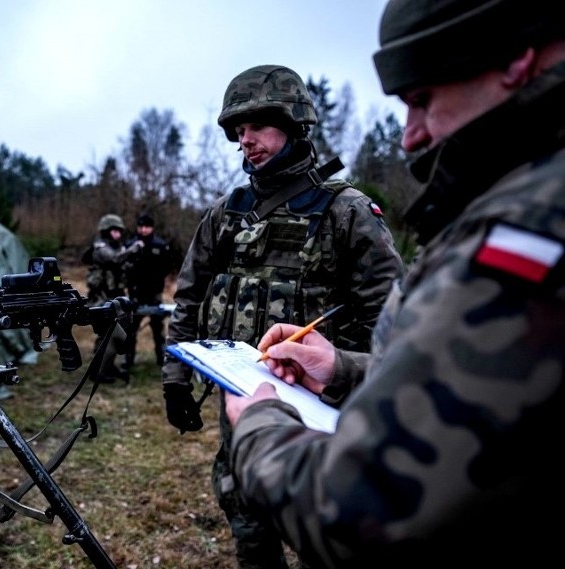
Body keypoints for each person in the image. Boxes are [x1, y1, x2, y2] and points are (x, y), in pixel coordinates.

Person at [225, 1, 565, 567]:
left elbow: (363, 509)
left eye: (422, 100)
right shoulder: (231, 212)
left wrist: (260, 423)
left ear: (513, 57)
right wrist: (343, 369)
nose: (410, 137)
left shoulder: (529, 224)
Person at [161, 64, 405, 569]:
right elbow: (189, 296)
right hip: (244, 398)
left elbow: (393, 322)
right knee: (245, 510)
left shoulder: (348, 212)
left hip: (324, 404)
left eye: (257, 127)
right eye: (238, 131)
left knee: (329, 525)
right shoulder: (227, 213)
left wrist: (357, 381)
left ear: (293, 125)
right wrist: (176, 378)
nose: (245, 141)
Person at [85, 213, 143, 383]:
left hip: (116, 296)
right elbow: (113, 260)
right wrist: (133, 249)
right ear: (106, 231)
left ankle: (108, 366)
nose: (118, 234)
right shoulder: (100, 248)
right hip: (101, 298)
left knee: (117, 333)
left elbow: (125, 266)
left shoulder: (119, 248)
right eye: (114, 230)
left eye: (119, 230)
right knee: (105, 335)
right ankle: (97, 372)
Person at [124, 213, 174, 369]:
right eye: (141, 227)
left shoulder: (160, 245)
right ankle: (128, 361)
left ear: (151, 228)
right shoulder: (131, 245)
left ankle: (162, 360)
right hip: (135, 295)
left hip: (154, 294)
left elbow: (168, 265)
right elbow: (124, 267)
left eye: (146, 227)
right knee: (131, 331)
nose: (144, 230)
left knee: (158, 330)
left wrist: (157, 279)